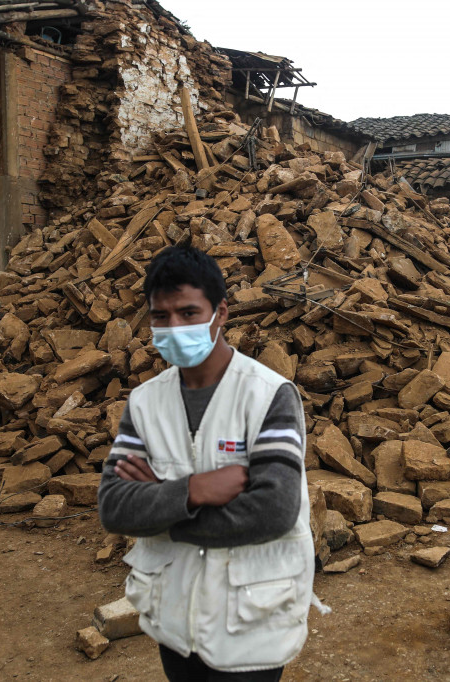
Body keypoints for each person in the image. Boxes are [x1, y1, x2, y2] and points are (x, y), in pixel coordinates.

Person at [98, 245, 317, 681]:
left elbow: (273, 511)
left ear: (221, 313)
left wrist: (162, 502)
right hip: (174, 618)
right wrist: (195, 490)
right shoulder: (144, 403)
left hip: (252, 622)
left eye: (188, 313)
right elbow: (114, 506)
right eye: (161, 317)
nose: (174, 327)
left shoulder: (268, 395)